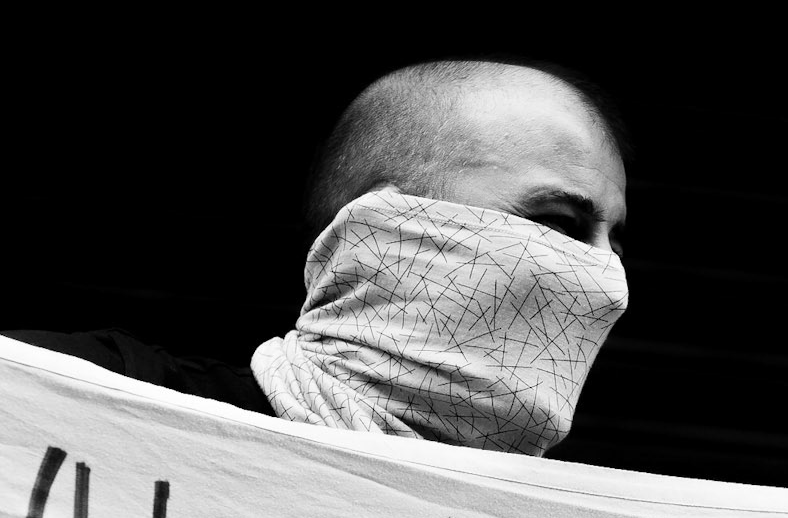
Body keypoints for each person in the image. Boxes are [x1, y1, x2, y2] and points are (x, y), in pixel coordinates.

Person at [3, 58, 630, 455]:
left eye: (615, 243)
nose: (610, 284)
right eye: (558, 224)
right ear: (383, 230)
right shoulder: (75, 402)